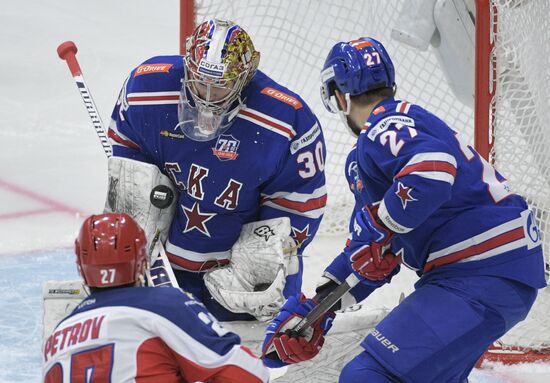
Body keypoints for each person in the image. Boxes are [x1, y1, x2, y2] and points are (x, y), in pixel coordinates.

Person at [261, 37, 546, 382]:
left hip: (476, 275)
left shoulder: (384, 125)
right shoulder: (393, 137)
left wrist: (384, 225)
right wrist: (317, 308)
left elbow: (432, 170)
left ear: (339, 96)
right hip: (492, 273)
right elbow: (372, 251)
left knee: (367, 375)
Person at [107, 19, 326, 321]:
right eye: (200, 82)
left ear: (245, 77)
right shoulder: (146, 89)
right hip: (163, 267)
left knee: (253, 364)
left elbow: (300, 204)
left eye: (221, 85)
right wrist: (136, 210)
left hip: (239, 280)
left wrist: (256, 266)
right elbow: (126, 144)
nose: (207, 97)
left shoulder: (286, 121)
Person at [42, 212, 269, 383]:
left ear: (82, 266)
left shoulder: (58, 336)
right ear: (142, 258)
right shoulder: (164, 305)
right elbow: (249, 374)